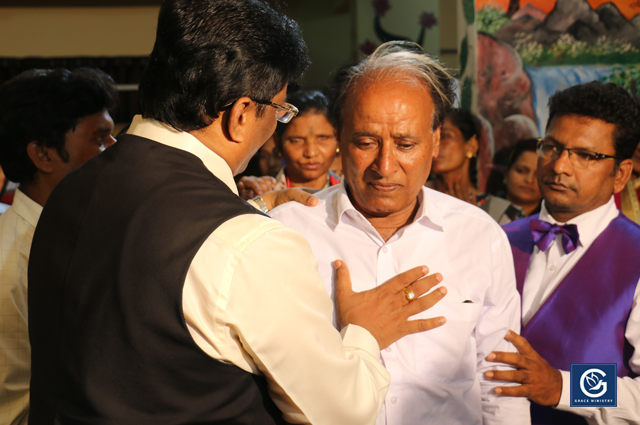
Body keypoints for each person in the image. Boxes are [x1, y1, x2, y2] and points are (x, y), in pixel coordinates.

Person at [27, 2, 447, 424]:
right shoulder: (249, 244)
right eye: (281, 112)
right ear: (242, 114)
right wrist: (362, 334)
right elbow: (341, 411)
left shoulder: (72, 189)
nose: (274, 130)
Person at [271, 41, 530, 425]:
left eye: (405, 144)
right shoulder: (287, 232)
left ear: (435, 141)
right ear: (341, 139)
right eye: (366, 142)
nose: (385, 165)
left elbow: (499, 384)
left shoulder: (479, 237)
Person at [485, 81, 640, 425]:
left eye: (586, 156)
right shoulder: (495, 239)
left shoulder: (637, 257)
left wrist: (563, 387)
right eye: (552, 147)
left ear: (621, 174)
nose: (559, 167)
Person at [0, 67, 117, 425]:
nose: (115, 151)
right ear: (44, 155)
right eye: (100, 139)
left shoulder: (87, 227)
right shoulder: (12, 263)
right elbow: (15, 406)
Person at [237, 90, 340, 198]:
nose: (311, 153)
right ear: (278, 141)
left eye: (323, 138)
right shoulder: (261, 196)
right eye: (297, 141)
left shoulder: (353, 196)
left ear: (338, 138)